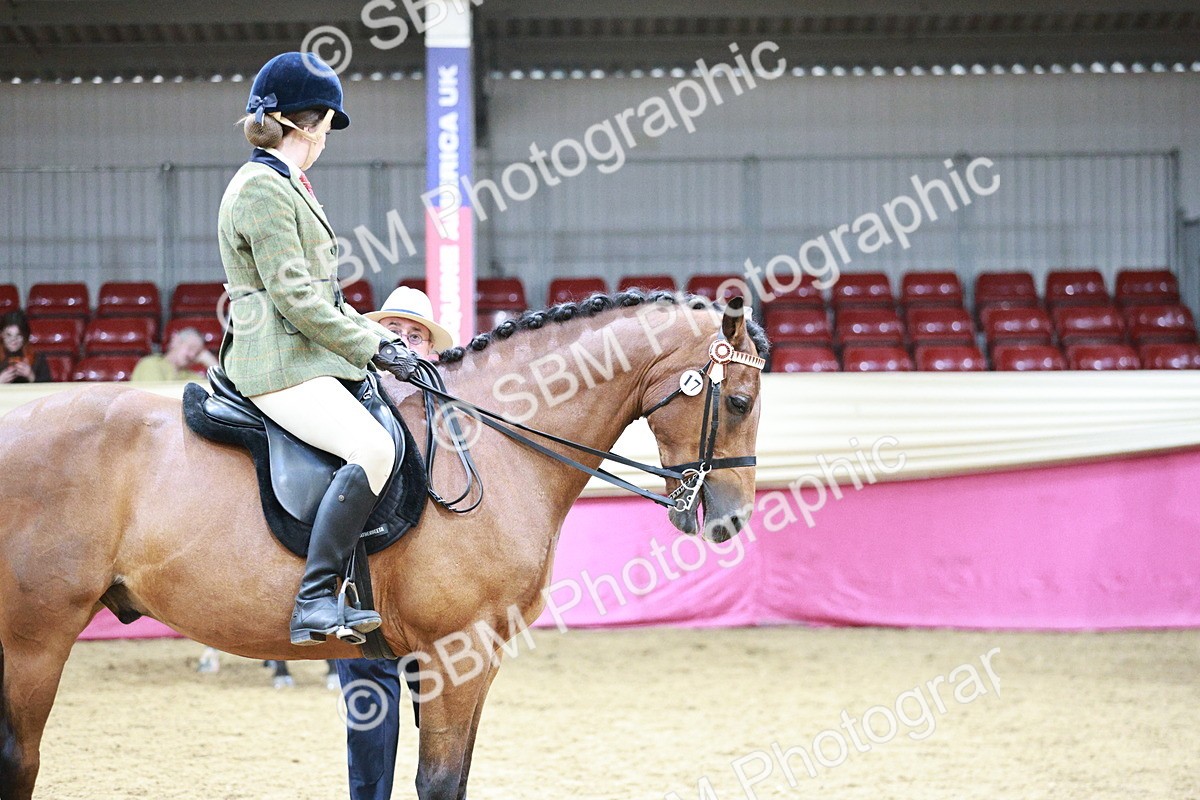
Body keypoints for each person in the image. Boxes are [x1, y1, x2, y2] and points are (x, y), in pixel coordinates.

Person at [217, 51, 420, 646]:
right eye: (328, 123)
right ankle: (314, 600)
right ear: (306, 123)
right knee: (371, 446)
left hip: (304, 353)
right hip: (277, 363)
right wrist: (373, 350)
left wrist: (378, 337)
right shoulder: (262, 190)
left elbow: (324, 296)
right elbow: (298, 301)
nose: (329, 136)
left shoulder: (288, 185)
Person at [335, 285, 454, 800]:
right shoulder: (341, 403)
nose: (404, 343)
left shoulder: (450, 418)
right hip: (363, 587)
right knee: (369, 728)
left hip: (430, 595)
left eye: (415, 336)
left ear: (429, 351)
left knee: (440, 716)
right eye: (393, 333)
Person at [130, 327, 217, 384]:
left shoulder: (192, 376)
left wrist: (211, 362)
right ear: (176, 340)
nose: (192, 355)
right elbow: (154, 399)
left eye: (198, 353)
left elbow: (222, 392)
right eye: (191, 348)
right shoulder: (150, 364)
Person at [0, 310, 51, 384]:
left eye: (19, 335)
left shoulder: (38, 358)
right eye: (8, 335)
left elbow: (50, 390)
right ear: (1, 334)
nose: (13, 340)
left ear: (25, 335)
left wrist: (31, 376)